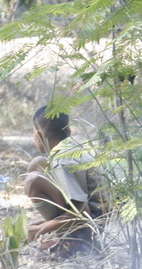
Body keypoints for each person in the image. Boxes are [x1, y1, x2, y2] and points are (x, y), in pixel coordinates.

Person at [24, 106, 109, 256]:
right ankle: (67, 237)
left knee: (33, 181)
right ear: (69, 132)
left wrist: (40, 229)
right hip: (95, 217)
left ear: (39, 135)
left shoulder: (62, 161)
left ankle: (73, 242)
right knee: (38, 164)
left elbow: (82, 213)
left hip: (92, 224)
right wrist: (45, 224)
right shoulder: (72, 150)